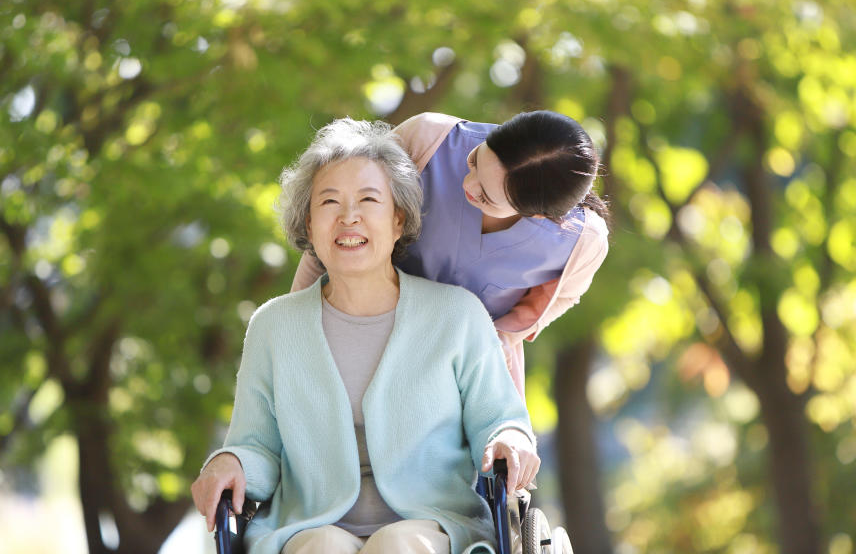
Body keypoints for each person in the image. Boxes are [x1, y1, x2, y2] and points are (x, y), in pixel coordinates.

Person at [191, 119, 540, 554]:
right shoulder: (274, 326)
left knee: (397, 546)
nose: (348, 216)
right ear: (309, 222)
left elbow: (499, 418)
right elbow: (256, 446)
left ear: (398, 219)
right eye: (329, 201)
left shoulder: (457, 315)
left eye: (368, 199)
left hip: (433, 524)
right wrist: (230, 461)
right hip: (307, 525)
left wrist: (510, 438)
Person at [292, 111, 610, 398]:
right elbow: (333, 231)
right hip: (357, 336)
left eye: (485, 196)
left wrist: (505, 335)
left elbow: (564, 296)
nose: (468, 185)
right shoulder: (428, 139)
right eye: (474, 161)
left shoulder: (581, 242)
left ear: (537, 215)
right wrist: (293, 323)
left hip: (462, 379)